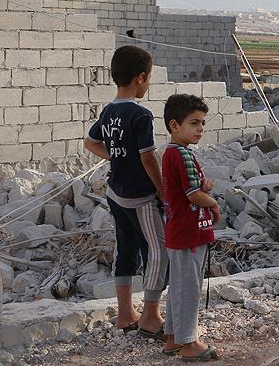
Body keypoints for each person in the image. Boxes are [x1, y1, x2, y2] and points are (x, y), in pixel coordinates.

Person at [84, 46, 168, 338]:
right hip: (140, 197)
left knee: (126, 249)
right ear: (141, 78)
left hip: (115, 193)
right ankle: (151, 316)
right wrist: (163, 190)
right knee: (158, 252)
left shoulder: (109, 111)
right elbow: (148, 157)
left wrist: (116, 157)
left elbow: (90, 142)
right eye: (149, 78)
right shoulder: (141, 115)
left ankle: (125, 314)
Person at [161, 94, 221, 360]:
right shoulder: (182, 153)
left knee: (179, 285)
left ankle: (173, 337)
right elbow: (192, 195)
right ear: (175, 125)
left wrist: (202, 186)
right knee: (189, 288)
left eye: (203, 123)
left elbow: (191, 185)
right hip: (189, 232)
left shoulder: (173, 153)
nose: (200, 129)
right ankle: (189, 343)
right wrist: (214, 204)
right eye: (194, 123)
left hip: (179, 231)